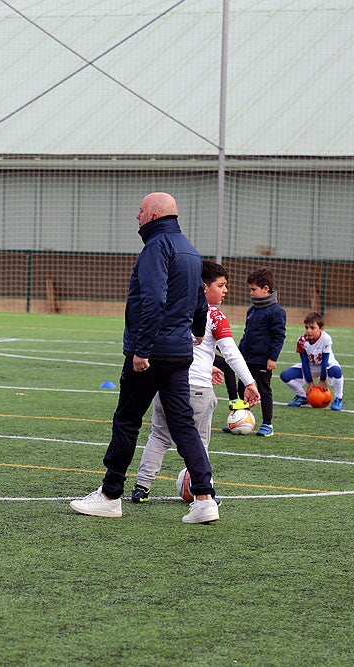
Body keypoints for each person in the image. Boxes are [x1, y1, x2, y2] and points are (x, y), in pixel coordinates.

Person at [69, 192, 218, 524]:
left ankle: (109, 495)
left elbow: (153, 298)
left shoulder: (156, 248)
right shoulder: (191, 250)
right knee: (184, 426)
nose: (136, 217)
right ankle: (205, 497)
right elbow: (199, 301)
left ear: (154, 215)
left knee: (127, 420)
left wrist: (142, 349)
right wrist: (194, 330)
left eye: (140, 211)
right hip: (180, 353)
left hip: (153, 353)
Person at [132, 260, 261, 502]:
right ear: (204, 287)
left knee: (159, 436)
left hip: (167, 381)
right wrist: (250, 382)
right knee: (199, 443)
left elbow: (177, 347)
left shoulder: (173, 309)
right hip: (198, 389)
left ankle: (142, 487)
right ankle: (204, 491)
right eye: (221, 285)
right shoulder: (214, 315)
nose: (225, 291)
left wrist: (206, 364)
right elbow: (231, 352)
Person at [219, 267, 286, 437]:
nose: (251, 293)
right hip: (246, 358)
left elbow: (279, 336)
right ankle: (242, 418)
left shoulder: (276, 311)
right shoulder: (252, 310)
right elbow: (246, 334)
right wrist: (238, 354)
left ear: (266, 289)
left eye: (253, 289)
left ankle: (267, 424)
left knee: (264, 390)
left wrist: (272, 358)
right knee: (244, 388)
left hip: (263, 360)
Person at [280, 312, 344, 410]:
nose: (308, 331)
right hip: (311, 366)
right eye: (306, 328)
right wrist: (310, 383)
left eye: (312, 328)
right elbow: (305, 363)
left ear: (321, 329)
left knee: (337, 370)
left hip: (327, 365)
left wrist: (322, 380)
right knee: (285, 375)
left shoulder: (326, 338)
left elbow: (325, 362)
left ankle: (338, 399)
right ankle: (302, 396)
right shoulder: (301, 341)